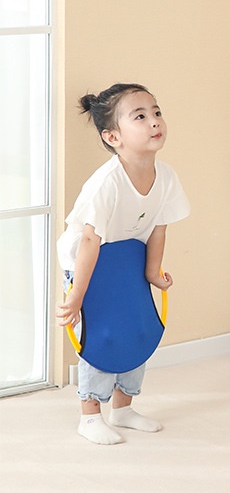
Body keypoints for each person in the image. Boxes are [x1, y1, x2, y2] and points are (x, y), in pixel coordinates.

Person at [57, 83, 190, 445]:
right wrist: (77, 296)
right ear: (113, 136)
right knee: (102, 334)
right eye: (141, 116)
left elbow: (158, 228)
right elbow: (88, 241)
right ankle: (89, 415)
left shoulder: (166, 178)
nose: (154, 121)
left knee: (138, 329)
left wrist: (152, 271)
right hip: (90, 261)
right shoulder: (107, 184)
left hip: (129, 256)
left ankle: (123, 408)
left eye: (157, 112)